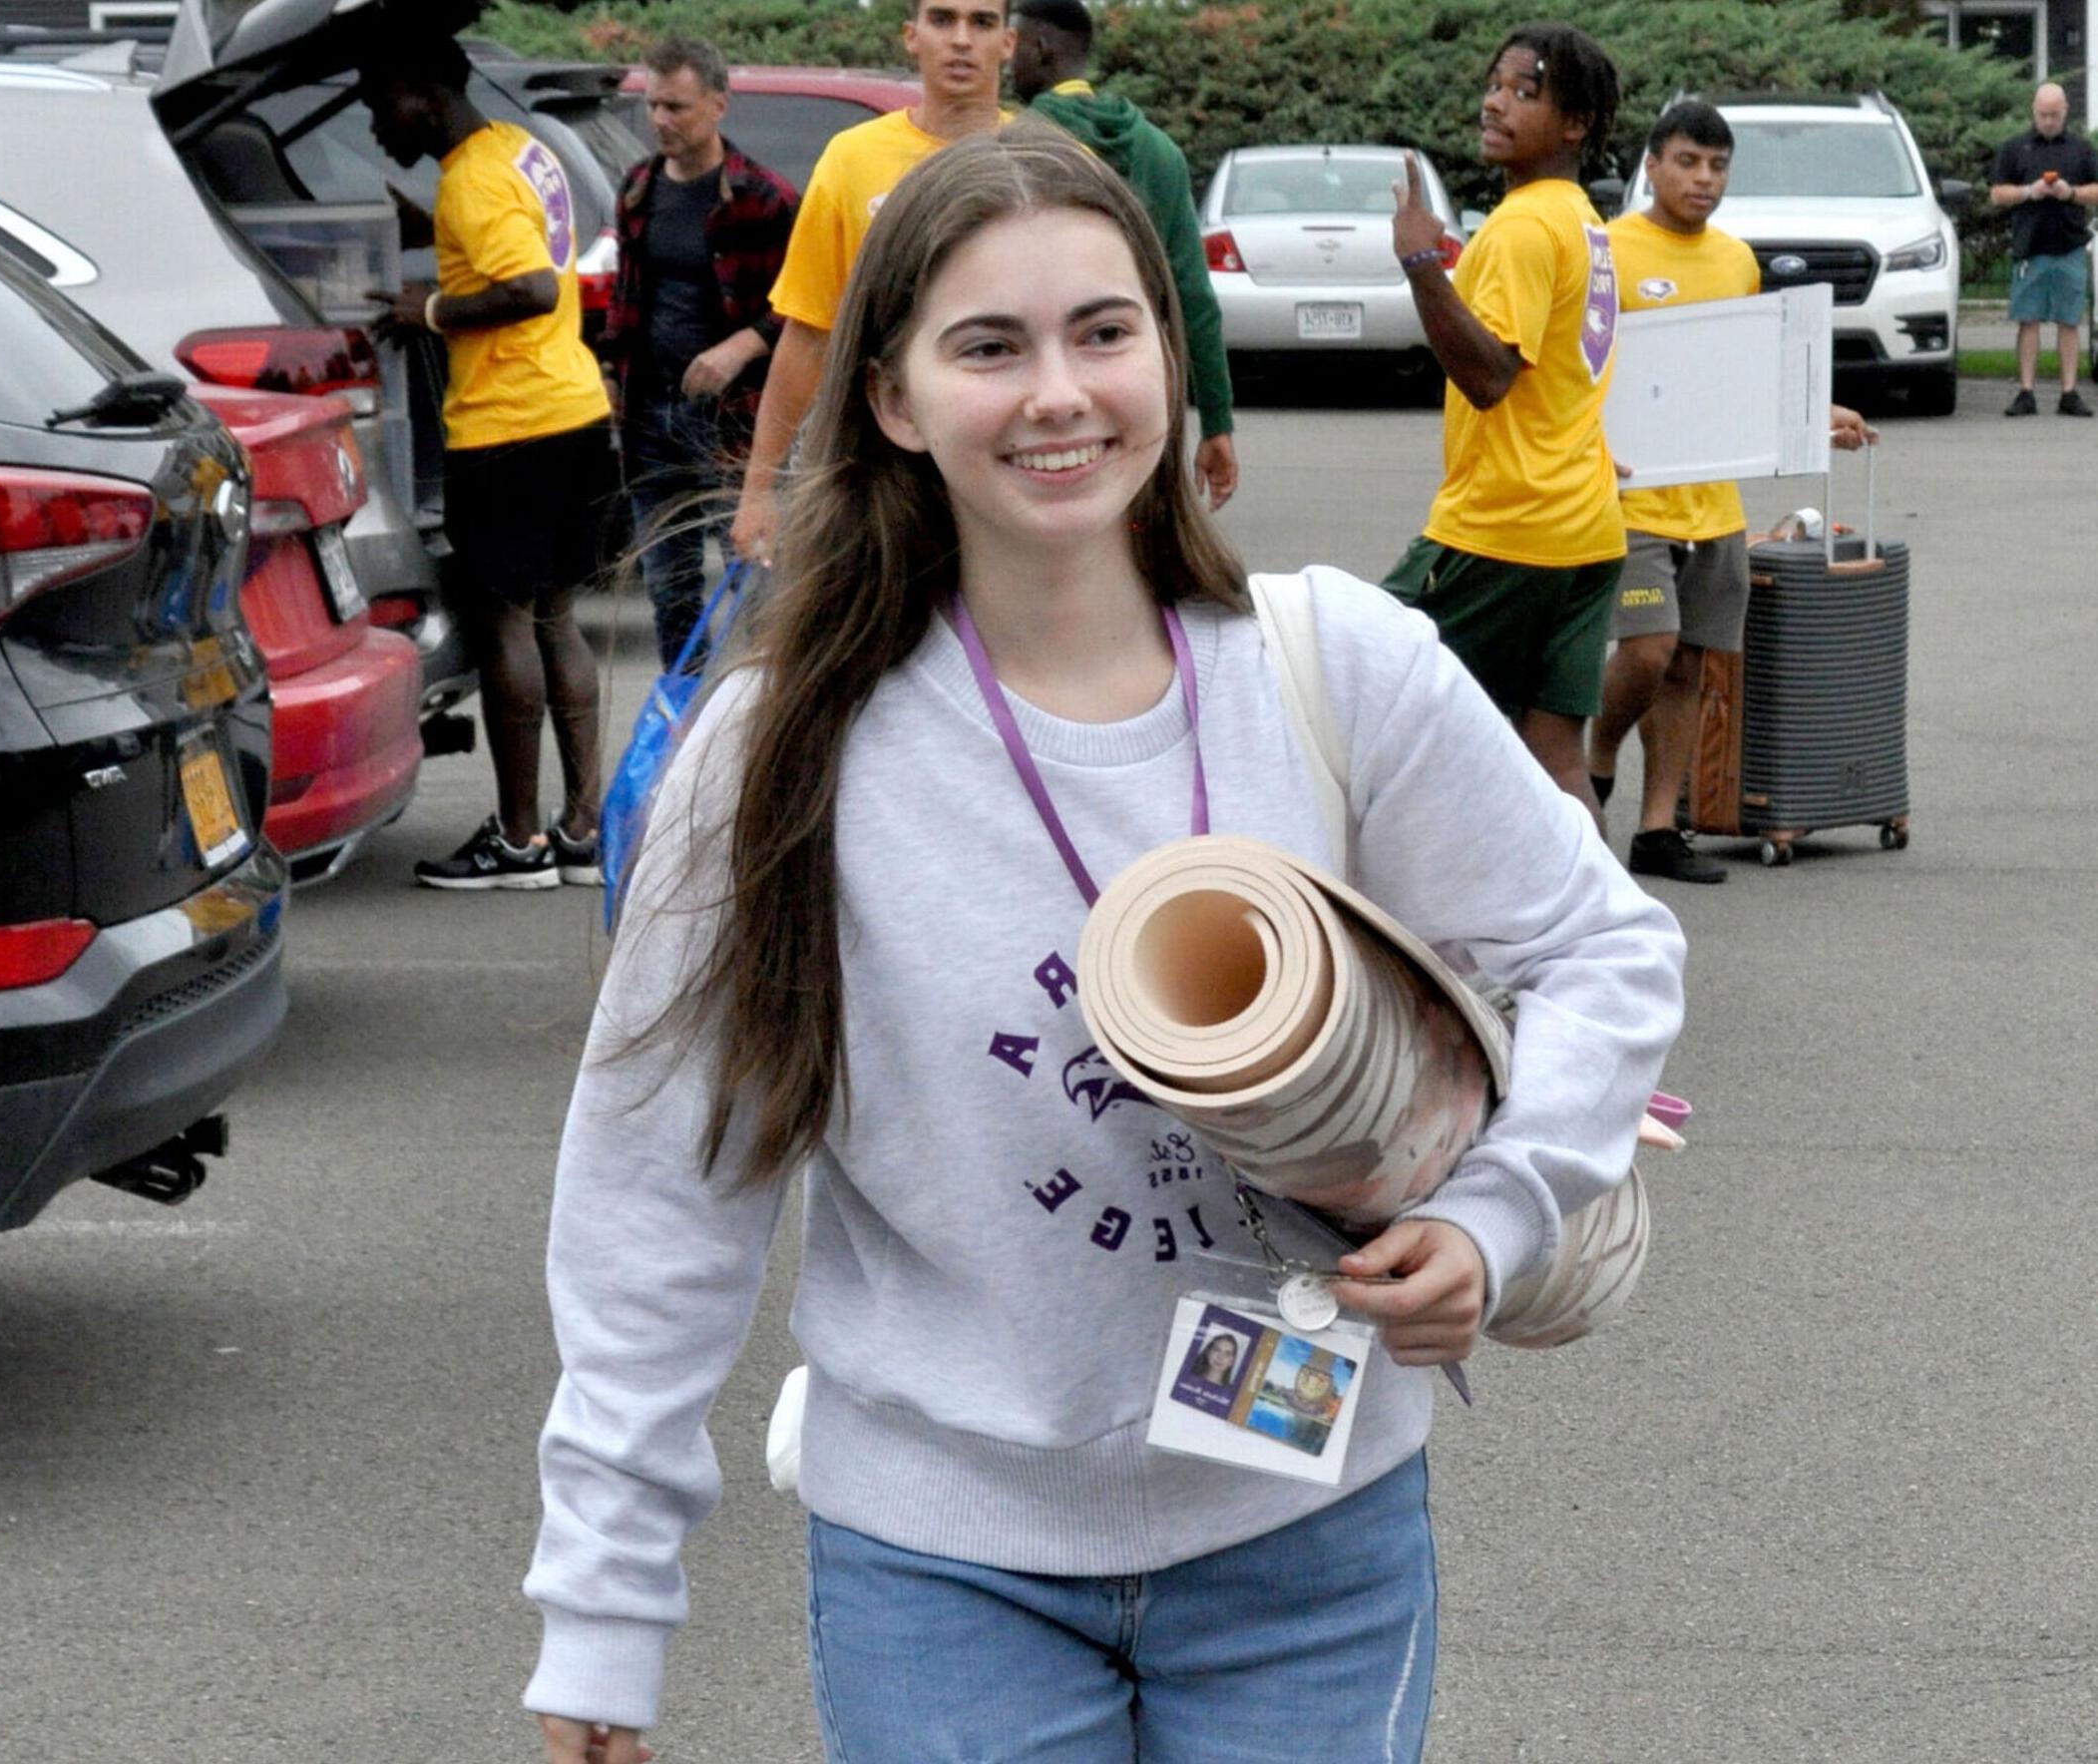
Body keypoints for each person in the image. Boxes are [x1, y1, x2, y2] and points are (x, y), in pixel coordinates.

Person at [523, 126, 1684, 1764]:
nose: (1056, 393)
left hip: (1308, 1539)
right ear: (890, 396)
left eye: (1101, 331)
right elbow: (657, 1190)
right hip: (940, 1559)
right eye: (986, 346)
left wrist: (1495, 1212)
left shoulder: (1331, 668)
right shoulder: (775, 751)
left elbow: (1602, 949)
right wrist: (601, 1606)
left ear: (1166, 352)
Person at [1591, 99, 1879, 886]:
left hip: (1712, 504)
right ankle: (1598, 748)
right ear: (1651, 165)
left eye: (1717, 167)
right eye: (1687, 162)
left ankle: (1657, 830)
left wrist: (1819, 414)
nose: (1704, 180)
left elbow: (1749, 372)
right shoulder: (1606, 250)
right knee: (1646, 652)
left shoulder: (1735, 260)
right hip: (1631, 498)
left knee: (1691, 667)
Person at [363, 35, 614, 890]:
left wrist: (426, 308)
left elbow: (529, 288)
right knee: (556, 617)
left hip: (509, 428)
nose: (372, 122)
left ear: (426, 95)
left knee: (507, 623)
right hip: (574, 411)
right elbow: (515, 247)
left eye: (381, 101)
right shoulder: (518, 149)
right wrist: (429, 229)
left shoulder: (469, 177)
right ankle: (581, 832)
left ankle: (515, 843)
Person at [1381, 21, 1624, 818]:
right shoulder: (1581, 217)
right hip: (1587, 530)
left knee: (1364, 695)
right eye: (1494, 84)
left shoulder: (1522, 226)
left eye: (1526, 91)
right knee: (1556, 760)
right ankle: (1596, 936)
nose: (1496, 102)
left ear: (1576, 122)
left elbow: (1488, 376)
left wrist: (1422, 264)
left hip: (1504, 530)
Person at [728, 0, 1014, 563]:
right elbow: (808, 335)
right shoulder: (850, 161)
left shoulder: (1049, 160)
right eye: (942, 20)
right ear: (911, 36)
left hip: (1006, 461)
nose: (961, 39)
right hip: (881, 470)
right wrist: (759, 489)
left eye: (982, 23)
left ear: (1008, 43)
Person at [599, 38, 800, 668]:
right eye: (654, 106)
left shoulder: (763, 198)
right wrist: (608, 371)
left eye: (677, 108)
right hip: (651, 419)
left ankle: (758, 716)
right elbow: (626, 295)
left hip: (734, 424)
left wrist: (743, 345)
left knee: (754, 586)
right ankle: (681, 721)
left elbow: (805, 305)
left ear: (717, 105)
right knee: (670, 592)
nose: (661, 120)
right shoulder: (638, 187)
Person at [1010, 0, 1237, 512]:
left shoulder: (1018, 146)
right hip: (1139, 386)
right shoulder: (1158, 150)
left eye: (1014, 45)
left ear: (1041, 48)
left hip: (1045, 390)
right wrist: (1217, 422)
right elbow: (1194, 298)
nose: (1009, 60)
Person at [1987, 82, 2098, 418]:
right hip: (2030, 248)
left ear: (2065, 111)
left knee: (2069, 321)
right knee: (2029, 321)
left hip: (2070, 247)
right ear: (2033, 111)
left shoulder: (2082, 150)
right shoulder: (2015, 148)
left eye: (2054, 114)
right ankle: (2026, 391)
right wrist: (2028, 192)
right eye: (2042, 114)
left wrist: (2070, 193)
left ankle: (2069, 392)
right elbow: (1996, 194)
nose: (2048, 120)